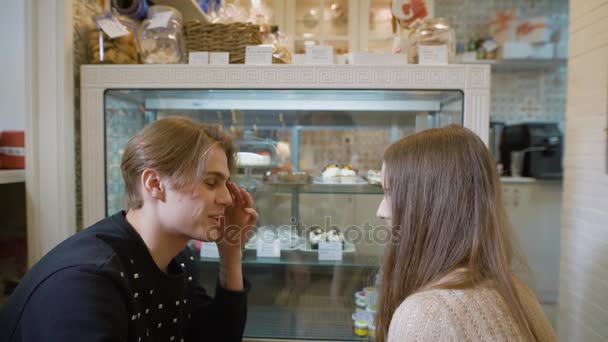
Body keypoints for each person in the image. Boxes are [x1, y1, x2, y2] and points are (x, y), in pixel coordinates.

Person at [0, 117, 257, 342]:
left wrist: (231, 254)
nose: (226, 198)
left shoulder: (177, 259)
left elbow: (215, 337)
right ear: (155, 183)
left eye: (226, 184)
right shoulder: (87, 282)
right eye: (211, 182)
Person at [374, 125, 556, 341]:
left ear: (436, 205)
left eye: (392, 195)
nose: (381, 211)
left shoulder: (425, 316)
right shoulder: (519, 292)